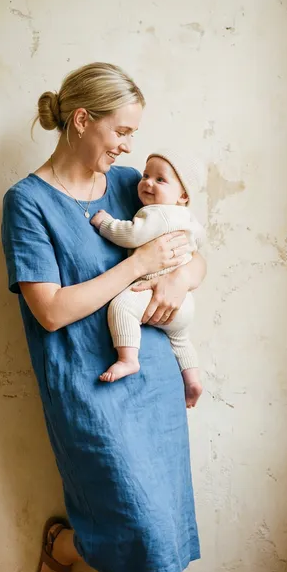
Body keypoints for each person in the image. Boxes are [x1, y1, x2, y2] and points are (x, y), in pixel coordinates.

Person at [1, 62, 204, 572]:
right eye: (121, 131)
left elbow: (193, 249)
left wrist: (180, 278)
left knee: (150, 533)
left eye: (134, 134)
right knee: (138, 524)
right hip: (84, 384)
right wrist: (139, 267)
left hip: (151, 377)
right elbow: (52, 311)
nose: (128, 146)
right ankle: (64, 543)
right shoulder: (27, 203)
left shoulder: (133, 184)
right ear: (82, 120)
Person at [90, 150, 205, 408]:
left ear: (183, 196)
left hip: (155, 293)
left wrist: (105, 223)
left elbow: (131, 235)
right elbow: (199, 243)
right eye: (145, 175)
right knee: (181, 340)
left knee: (121, 307)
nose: (147, 183)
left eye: (160, 179)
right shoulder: (189, 219)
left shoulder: (157, 213)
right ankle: (193, 380)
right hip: (183, 301)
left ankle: (128, 359)